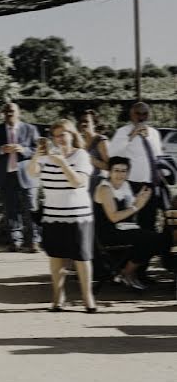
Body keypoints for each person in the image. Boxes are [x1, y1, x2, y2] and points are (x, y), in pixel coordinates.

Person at [28, 119, 96, 313]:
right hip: (53, 214)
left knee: (82, 258)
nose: (60, 139)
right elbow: (32, 173)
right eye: (56, 135)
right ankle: (58, 299)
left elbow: (78, 182)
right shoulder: (47, 157)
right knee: (56, 257)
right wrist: (36, 156)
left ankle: (87, 298)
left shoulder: (81, 155)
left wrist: (63, 163)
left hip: (78, 215)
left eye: (63, 134)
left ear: (72, 134)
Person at [93, 156, 163, 290]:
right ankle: (127, 272)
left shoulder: (125, 185)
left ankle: (126, 272)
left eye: (124, 171)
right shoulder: (105, 189)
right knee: (154, 239)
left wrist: (139, 199)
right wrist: (137, 206)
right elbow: (113, 217)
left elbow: (129, 208)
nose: (120, 174)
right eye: (116, 170)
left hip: (124, 229)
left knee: (157, 239)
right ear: (109, 172)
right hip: (109, 233)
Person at [0, 102, 41, 253]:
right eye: (6, 111)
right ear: (3, 114)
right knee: (11, 210)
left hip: (27, 174)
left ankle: (34, 241)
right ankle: (15, 241)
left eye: (12, 111)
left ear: (19, 113)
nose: (9, 113)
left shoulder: (30, 129)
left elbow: (38, 150)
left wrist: (23, 149)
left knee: (31, 208)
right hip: (7, 175)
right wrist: (1, 149)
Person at [108, 102, 164, 231]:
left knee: (149, 220)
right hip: (132, 183)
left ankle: (147, 249)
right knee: (129, 220)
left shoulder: (154, 133)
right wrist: (131, 136)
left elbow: (157, 156)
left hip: (151, 183)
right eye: (138, 113)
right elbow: (112, 153)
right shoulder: (123, 132)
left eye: (145, 114)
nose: (141, 117)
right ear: (131, 115)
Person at [78, 110, 109, 193]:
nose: (83, 124)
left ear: (94, 124)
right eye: (81, 121)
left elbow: (110, 166)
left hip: (98, 185)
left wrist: (93, 160)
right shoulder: (79, 141)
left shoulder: (101, 140)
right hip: (83, 185)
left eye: (86, 121)